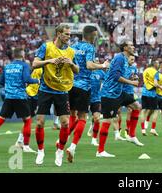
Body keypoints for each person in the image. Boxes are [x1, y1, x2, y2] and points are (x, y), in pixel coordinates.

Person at [32, 24, 79, 167]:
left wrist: (71, 64)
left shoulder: (71, 52)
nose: (68, 37)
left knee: (65, 123)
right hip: (45, 90)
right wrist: (49, 61)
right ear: (58, 34)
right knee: (39, 122)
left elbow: (77, 70)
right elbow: (34, 64)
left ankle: (60, 150)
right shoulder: (46, 47)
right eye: (66, 34)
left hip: (62, 91)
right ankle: (40, 151)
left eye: (70, 35)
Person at [0, 48, 39, 153]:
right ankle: (25, 146)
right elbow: (27, 79)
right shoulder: (24, 65)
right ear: (22, 55)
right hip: (20, 97)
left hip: (8, 97)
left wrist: (10, 85)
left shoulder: (7, 66)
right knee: (27, 120)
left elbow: (1, 81)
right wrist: (37, 80)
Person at [65, 26, 109, 163]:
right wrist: (102, 66)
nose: (95, 37)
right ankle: (72, 147)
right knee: (82, 117)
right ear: (90, 35)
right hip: (84, 86)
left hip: (70, 85)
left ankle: (61, 143)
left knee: (72, 116)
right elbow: (90, 65)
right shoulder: (90, 47)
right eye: (95, 35)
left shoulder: (72, 47)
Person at [96, 41, 142, 158]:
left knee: (137, 106)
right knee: (107, 120)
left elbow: (121, 74)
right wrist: (131, 82)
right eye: (131, 45)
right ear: (125, 47)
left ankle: (131, 135)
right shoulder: (119, 58)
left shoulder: (126, 60)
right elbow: (116, 76)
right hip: (109, 93)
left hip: (119, 92)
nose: (133, 47)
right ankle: (100, 151)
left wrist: (132, 77)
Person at [15, 67, 42, 149]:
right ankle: (21, 143)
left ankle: (20, 141)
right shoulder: (42, 69)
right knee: (29, 120)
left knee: (29, 120)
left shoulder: (37, 68)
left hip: (32, 95)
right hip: (32, 95)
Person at [140, 60, 160, 136]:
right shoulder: (156, 72)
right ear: (155, 64)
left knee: (143, 110)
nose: (158, 65)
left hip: (144, 92)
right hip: (152, 94)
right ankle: (153, 129)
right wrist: (161, 86)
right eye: (158, 63)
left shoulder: (145, 71)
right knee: (155, 111)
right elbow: (155, 84)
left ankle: (143, 130)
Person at [87, 66, 106, 146]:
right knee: (79, 119)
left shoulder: (100, 72)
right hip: (85, 97)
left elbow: (107, 80)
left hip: (96, 99)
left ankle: (94, 139)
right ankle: (68, 136)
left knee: (97, 119)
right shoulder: (85, 71)